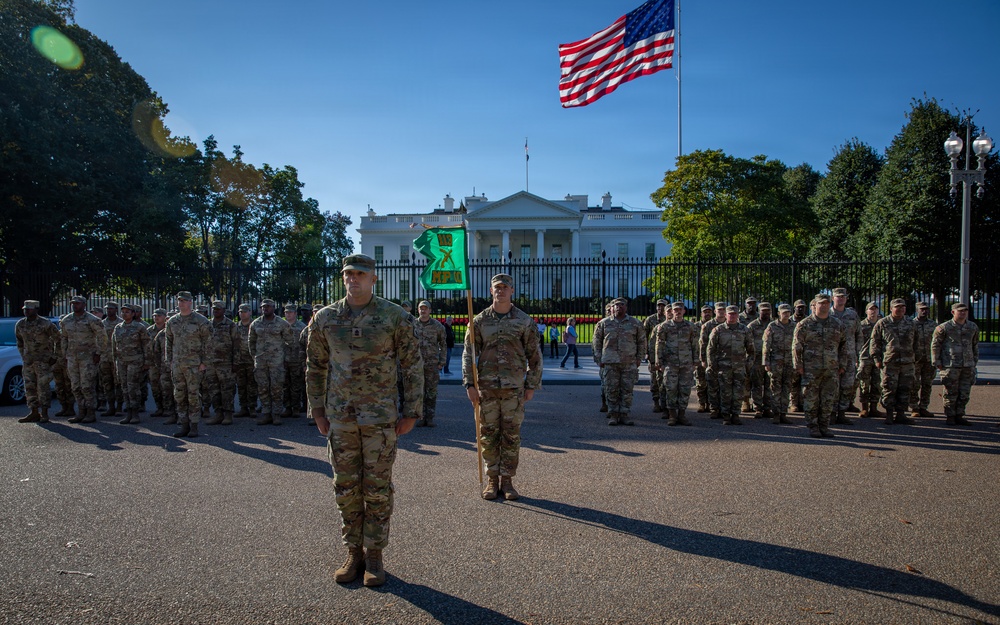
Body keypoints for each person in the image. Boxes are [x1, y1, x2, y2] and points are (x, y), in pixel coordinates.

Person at [306, 253, 423, 587]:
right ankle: (353, 551)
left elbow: (411, 365)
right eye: (348, 274)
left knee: (377, 488)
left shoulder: (393, 317)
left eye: (360, 274)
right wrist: (317, 409)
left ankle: (375, 554)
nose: (353, 279)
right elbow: (315, 365)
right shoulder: (325, 319)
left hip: (380, 418)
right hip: (340, 416)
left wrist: (411, 411)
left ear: (374, 278)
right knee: (345, 487)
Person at [463, 273, 542, 500]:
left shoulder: (524, 321)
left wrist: (531, 385)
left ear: (512, 291)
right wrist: (469, 383)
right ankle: (491, 480)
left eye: (505, 287)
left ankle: (507, 481)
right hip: (486, 388)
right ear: (491, 291)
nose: (501, 290)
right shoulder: (478, 321)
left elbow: (534, 355)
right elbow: (469, 354)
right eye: (497, 287)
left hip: (513, 389)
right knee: (487, 435)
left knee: (511, 435)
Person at [792, 294, 849, 438]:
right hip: (811, 369)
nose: (824, 306)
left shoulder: (837, 324)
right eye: (821, 303)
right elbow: (797, 346)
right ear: (815, 305)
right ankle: (813, 427)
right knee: (811, 399)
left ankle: (824, 426)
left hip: (831, 369)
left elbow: (844, 346)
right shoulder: (804, 324)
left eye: (826, 303)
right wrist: (798, 365)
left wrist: (842, 364)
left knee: (828, 399)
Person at [165, 291, 211, 438]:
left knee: (193, 395)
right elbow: (168, 342)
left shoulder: (201, 321)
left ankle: (194, 425)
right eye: (179, 301)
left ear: (191, 302)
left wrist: (205, 362)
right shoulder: (172, 321)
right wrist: (169, 360)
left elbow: (208, 343)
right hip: (178, 365)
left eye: (184, 301)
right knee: (179, 395)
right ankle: (183, 424)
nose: (181, 303)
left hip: (194, 365)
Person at [593, 298, 645, 426]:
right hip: (610, 362)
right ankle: (613, 414)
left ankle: (624, 414)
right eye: (616, 305)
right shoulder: (603, 323)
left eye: (622, 305)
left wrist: (639, 357)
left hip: (629, 361)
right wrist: (599, 358)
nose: (619, 307)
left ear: (626, 308)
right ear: (611, 308)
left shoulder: (635, 323)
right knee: (611, 389)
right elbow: (596, 342)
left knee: (627, 389)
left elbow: (641, 342)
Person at [870, 298, 919, 426]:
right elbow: (875, 342)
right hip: (890, 362)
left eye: (903, 307)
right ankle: (889, 414)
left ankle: (901, 414)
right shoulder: (883, 323)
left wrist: (915, 358)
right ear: (891, 309)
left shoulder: (911, 323)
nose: (900, 309)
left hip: (907, 362)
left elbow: (917, 342)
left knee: (906, 388)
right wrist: (877, 359)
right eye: (897, 307)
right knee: (888, 388)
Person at [62, 295, 108, 424]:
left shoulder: (92, 319)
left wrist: (98, 353)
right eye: (73, 303)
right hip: (72, 357)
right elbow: (64, 338)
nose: (75, 305)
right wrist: (64, 354)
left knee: (87, 386)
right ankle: (81, 412)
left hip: (88, 358)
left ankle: (90, 412)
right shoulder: (67, 320)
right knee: (75, 386)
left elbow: (102, 337)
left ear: (84, 304)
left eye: (77, 303)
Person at [931, 302, 978, 426]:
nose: (963, 313)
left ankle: (959, 415)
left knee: (964, 392)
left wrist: (974, 362)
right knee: (950, 392)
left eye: (965, 311)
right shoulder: (944, 327)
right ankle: (950, 416)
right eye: (960, 311)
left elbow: (975, 345)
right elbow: (935, 345)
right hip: (950, 365)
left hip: (967, 365)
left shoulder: (972, 327)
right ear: (953, 312)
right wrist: (937, 362)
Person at [707, 305, 754, 425]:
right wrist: (713, 365)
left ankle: (736, 414)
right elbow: (711, 349)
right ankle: (726, 415)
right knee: (725, 392)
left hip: (739, 367)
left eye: (734, 314)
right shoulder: (718, 330)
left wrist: (748, 364)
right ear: (726, 315)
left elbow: (751, 350)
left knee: (738, 392)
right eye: (730, 314)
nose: (732, 316)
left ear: (738, 315)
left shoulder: (744, 330)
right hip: (724, 366)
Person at [250, 299, 293, 425]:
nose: (265, 309)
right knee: (262, 388)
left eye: (268, 307)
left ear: (274, 308)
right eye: (263, 307)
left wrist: (283, 357)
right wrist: (255, 357)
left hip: (277, 362)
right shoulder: (256, 323)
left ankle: (277, 414)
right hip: (261, 362)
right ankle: (266, 413)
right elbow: (251, 342)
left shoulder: (282, 323)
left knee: (277, 388)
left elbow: (290, 341)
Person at [653, 301, 697, 426]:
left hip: (686, 363)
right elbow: (659, 345)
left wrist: (695, 362)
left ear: (684, 311)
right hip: (670, 364)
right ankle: (672, 415)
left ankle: (682, 415)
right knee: (671, 389)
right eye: (675, 310)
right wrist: (659, 362)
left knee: (685, 389)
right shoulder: (664, 327)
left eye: (680, 309)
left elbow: (695, 345)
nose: (677, 312)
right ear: (671, 311)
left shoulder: (690, 326)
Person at [15, 300, 60, 424]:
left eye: (29, 309)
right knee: (29, 387)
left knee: (43, 387)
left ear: (36, 309)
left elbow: (58, 339)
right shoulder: (20, 324)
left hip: (43, 362)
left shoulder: (46, 324)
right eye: (25, 309)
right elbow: (19, 341)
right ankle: (34, 412)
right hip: (28, 362)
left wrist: (54, 356)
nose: (26, 311)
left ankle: (44, 413)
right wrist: (23, 355)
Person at [111, 304, 149, 425]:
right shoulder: (118, 327)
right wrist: (114, 361)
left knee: (133, 387)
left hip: (135, 361)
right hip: (122, 362)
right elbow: (114, 346)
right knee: (124, 387)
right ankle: (128, 413)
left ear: (133, 314)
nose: (125, 314)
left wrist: (147, 361)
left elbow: (146, 345)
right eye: (123, 312)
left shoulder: (139, 327)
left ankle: (135, 413)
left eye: (127, 312)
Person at [204, 301, 240, 426]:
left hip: (225, 363)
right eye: (214, 309)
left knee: (227, 390)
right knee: (213, 390)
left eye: (218, 309)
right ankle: (218, 414)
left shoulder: (230, 325)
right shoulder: (207, 324)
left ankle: (228, 414)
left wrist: (235, 362)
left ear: (224, 310)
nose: (216, 311)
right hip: (210, 363)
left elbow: (236, 344)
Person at [830, 287, 862, 425]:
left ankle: (842, 413)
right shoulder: (828, 314)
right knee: (832, 386)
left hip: (849, 355)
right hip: (833, 356)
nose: (841, 298)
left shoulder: (852, 315)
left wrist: (858, 353)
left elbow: (859, 335)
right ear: (833, 298)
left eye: (843, 296)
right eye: (838, 296)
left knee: (847, 385)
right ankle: (831, 413)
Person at [414, 300, 446, 427]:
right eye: (421, 308)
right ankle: (421, 417)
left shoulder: (437, 326)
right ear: (418, 310)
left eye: (425, 308)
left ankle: (430, 417)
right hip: (417, 364)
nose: (423, 310)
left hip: (432, 364)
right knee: (419, 392)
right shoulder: (413, 325)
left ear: (430, 310)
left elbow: (443, 344)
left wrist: (442, 361)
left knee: (431, 391)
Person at [762, 303, 795, 424]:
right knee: (775, 387)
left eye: (788, 312)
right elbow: (766, 345)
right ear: (779, 313)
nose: (786, 314)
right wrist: (766, 362)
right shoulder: (772, 326)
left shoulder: (794, 326)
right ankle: (776, 413)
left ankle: (783, 413)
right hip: (776, 361)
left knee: (787, 388)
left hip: (789, 362)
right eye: (784, 312)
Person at [909, 302, 937, 419]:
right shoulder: (911, 324)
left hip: (929, 359)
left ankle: (924, 407)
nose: (924, 311)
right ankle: (914, 407)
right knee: (914, 384)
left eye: (926, 309)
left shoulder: (933, 325)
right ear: (917, 310)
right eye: (922, 309)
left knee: (927, 384)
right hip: (915, 359)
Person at [700, 302, 727, 419]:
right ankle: (714, 409)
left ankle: (724, 409)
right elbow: (703, 344)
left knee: (725, 386)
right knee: (713, 385)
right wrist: (703, 360)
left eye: (723, 309)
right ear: (715, 311)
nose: (721, 311)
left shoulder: (730, 324)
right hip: (713, 360)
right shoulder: (708, 326)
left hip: (726, 360)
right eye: (719, 310)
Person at [746, 303, 773, 419]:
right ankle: (758, 408)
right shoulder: (752, 326)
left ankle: (767, 408)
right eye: (763, 311)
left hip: (771, 359)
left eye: (768, 311)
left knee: (769, 385)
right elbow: (747, 343)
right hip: (756, 359)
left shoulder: (773, 325)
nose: (766, 313)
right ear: (759, 311)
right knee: (757, 384)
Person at [856, 303, 883, 419]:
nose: (873, 311)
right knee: (864, 383)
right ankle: (864, 408)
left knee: (877, 383)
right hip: (865, 357)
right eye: (870, 309)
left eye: (875, 309)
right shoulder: (861, 326)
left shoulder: (882, 325)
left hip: (878, 357)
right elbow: (856, 342)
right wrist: (857, 358)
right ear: (866, 311)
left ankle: (874, 408)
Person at [643, 299, 669, 413]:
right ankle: (656, 402)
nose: (660, 308)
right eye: (659, 306)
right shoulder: (650, 320)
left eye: (663, 306)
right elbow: (644, 336)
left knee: (666, 380)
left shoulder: (669, 319)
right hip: (653, 354)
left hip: (666, 354)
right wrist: (646, 352)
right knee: (654, 380)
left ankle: (666, 404)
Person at [282, 303, 308, 418]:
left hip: (296, 360)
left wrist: (304, 362)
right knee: (285, 385)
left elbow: (304, 345)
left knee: (296, 385)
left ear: (295, 314)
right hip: (283, 360)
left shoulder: (301, 326)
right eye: (286, 312)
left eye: (291, 312)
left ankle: (296, 407)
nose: (288, 314)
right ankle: (287, 407)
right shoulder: (281, 325)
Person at [99, 301, 124, 416]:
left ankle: (119, 406)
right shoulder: (101, 324)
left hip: (117, 358)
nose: (109, 311)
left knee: (118, 383)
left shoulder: (121, 323)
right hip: (104, 358)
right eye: (107, 309)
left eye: (111, 309)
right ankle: (111, 406)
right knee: (106, 383)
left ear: (116, 310)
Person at [234, 304, 258, 418]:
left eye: (244, 312)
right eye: (240, 312)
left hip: (251, 360)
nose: (242, 314)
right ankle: (243, 407)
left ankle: (252, 407)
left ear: (250, 312)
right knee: (241, 385)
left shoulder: (255, 325)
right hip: (239, 360)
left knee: (252, 385)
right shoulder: (235, 326)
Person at [145, 308, 168, 417]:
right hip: (153, 363)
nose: (156, 317)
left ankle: (168, 408)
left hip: (165, 363)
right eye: (154, 315)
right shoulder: (149, 330)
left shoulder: (169, 329)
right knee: (155, 386)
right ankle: (159, 407)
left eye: (159, 315)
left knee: (166, 386)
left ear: (164, 317)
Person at [790, 299, 809, 411]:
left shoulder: (808, 321)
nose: (801, 309)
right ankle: (793, 403)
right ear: (795, 308)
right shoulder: (790, 321)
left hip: (806, 354)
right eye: (799, 307)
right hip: (793, 354)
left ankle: (802, 402)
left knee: (805, 380)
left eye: (803, 307)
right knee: (794, 380)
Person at [694, 305, 713, 413]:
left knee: (712, 381)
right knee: (700, 381)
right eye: (705, 312)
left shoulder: (715, 325)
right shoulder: (695, 326)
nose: (707, 314)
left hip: (712, 358)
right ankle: (702, 403)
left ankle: (710, 403)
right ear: (701, 314)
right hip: (699, 357)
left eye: (709, 312)